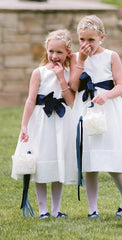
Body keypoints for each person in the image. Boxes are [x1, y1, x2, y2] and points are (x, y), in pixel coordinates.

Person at [69, 15, 122, 218]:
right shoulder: (76, 58)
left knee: (110, 157)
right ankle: (92, 209)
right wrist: (82, 61)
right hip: (86, 108)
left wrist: (107, 95)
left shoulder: (112, 56)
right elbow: (74, 87)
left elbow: (120, 85)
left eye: (91, 40)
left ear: (101, 37)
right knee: (90, 161)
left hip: (108, 109)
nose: (86, 44)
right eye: (82, 39)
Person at [12, 29, 77, 219]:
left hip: (61, 122)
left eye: (59, 52)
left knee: (58, 163)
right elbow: (31, 100)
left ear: (67, 53)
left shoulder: (67, 73)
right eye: (51, 51)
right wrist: (24, 126)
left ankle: (56, 210)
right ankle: (43, 210)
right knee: (39, 164)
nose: (54, 56)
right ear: (46, 50)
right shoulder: (38, 72)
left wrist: (60, 78)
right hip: (40, 122)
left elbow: (71, 101)